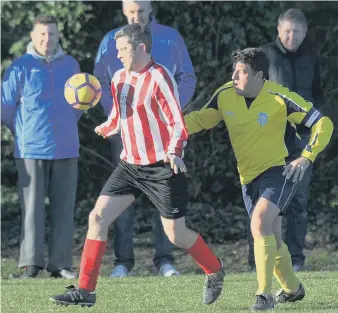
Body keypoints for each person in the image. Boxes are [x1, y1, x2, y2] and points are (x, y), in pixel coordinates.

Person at [50, 24, 224, 307]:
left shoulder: (160, 77)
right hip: (130, 165)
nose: (118, 55)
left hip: (162, 166)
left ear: (141, 48)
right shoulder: (118, 77)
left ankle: (215, 271)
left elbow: (177, 122)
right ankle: (85, 291)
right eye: (116, 50)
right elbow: (119, 116)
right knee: (97, 218)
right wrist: (107, 127)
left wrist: (175, 151)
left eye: (122, 49)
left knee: (176, 234)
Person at [184, 48, 333, 310]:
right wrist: (165, 131)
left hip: (281, 169)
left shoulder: (279, 97)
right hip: (248, 177)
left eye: (241, 72)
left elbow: (324, 124)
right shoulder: (225, 95)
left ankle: (263, 296)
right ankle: (293, 289)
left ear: (259, 76)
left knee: (260, 222)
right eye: (234, 70)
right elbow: (199, 120)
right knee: (271, 237)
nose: (234, 76)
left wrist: (307, 156)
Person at [94, 0, 196, 277]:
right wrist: (116, 118)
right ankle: (122, 262)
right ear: (123, 11)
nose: (136, 16)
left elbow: (187, 76)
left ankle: (165, 260)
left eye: (140, 11)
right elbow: (102, 82)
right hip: (126, 131)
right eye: (130, 12)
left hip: (165, 136)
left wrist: (168, 108)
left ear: (150, 9)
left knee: (163, 200)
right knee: (119, 199)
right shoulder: (111, 41)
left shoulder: (170, 37)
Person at [1, 15, 82, 279]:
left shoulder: (71, 65)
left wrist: (66, 123)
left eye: (52, 34)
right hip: (30, 149)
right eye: (42, 34)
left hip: (66, 148)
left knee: (64, 208)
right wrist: (24, 130)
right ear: (33, 37)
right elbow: (5, 108)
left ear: (59, 36)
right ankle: (30, 265)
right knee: (32, 210)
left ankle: (60, 265)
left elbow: (80, 105)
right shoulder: (19, 67)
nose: (47, 39)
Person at [247, 8, 324, 272]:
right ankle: (257, 259)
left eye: (297, 31)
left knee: (299, 202)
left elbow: (318, 95)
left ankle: (297, 260)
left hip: (302, 140)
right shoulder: (264, 55)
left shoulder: (311, 57)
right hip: (270, 139)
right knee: (264, 202)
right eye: (287, 31)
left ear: (304, 33)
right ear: (278, 30)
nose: (292, 36)